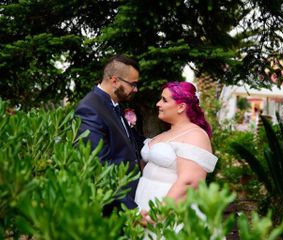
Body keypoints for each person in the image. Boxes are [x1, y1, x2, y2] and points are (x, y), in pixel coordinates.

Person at [134, 81, 218, 213]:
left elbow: (189, 183)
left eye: (164, 100)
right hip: (143, 203)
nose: (158, 104)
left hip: (170, 210)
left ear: (181, 107)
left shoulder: (195, 135)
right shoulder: (165, 133)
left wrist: (157, 214)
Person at [75, 54, 144, 212]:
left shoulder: (114, 104)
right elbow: (99, 167)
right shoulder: (89, 109)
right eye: (132, 84)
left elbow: (129, 142)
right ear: (114, 80)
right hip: (115, 206)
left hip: (131, 195)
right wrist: (132, 211)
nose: (135, 89)